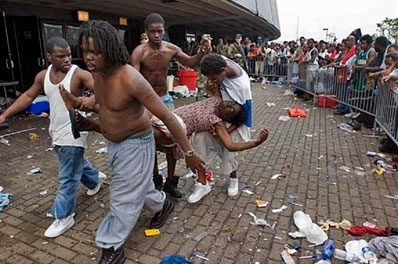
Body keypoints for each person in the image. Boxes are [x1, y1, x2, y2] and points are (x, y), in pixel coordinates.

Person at [0, 37, 105, 238]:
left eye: (68, 54)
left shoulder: (79, 74)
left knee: (67, 177)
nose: (67, 59)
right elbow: (28, 97)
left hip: (75, 131)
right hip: (55, 131)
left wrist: (94, 101)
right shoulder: (43, 76)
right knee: (74, 162)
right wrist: (5, 114)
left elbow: (103, 90)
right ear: (49, 57)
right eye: (61, 56)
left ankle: (64, 216)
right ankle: (93, 180)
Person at [131, 13, 211, 198]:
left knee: (174, 140)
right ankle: (155, 177)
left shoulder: (170, 49)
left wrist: (201, 51)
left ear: (164, 30)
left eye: (159, 31)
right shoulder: (139, 52)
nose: (157, 35)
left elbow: (190, 62)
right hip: (146, 102)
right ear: (146, 32)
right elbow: (133, 80)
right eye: (152, 32)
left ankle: (171, 180)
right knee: (149, 140)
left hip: (165, 98)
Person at [151, 95, 268, 203]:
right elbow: (214, 80)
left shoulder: (216, 122)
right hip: (171, 115)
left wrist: (256, 142)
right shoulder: (216, 99)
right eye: (232, 103)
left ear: (227, 118)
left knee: (149, 131)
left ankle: (201, 183)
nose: (229, 105)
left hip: (177, 126)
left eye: (231, 110)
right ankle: (168, 183)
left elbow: (230, 146)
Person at [187, 53, 253, 201]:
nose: (211, 81)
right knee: (199, 138)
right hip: (219, 117)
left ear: (223, 70)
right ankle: (202, 182)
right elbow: (220, 99)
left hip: (235, 122)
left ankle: (233, 179)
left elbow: (244, 116)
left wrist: (224, 132)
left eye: (214, 78)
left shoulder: (241, 86)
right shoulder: (219, 61)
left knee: (229, 150)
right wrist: (215, 91)